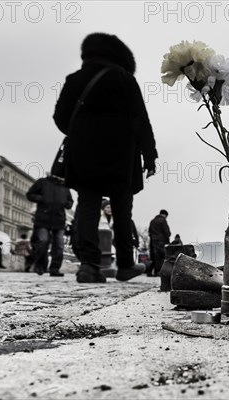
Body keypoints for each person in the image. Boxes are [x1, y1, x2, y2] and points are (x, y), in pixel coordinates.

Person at [53, 32, 158, 283]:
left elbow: (60, 117)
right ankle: (124, 265)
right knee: (122, 208)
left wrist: (81, 132)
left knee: (88, 205)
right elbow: (141, 120)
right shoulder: (124, 78)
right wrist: (150, 155)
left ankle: (88, 265)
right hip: (120, 153)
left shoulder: (75, 79)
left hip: (83, 152)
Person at [27, 174, 74, 276]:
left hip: (59, 220)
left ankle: (54, 269)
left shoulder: (65, 186)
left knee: (59, 245)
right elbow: (30, 194)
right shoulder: (42, 182)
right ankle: (40, 266)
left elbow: (70, 201)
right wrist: (42, 198)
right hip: (43, 219)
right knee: (43, 241)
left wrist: (67, 203)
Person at [148, 209, 171, 277]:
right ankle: (158, 272)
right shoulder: (163, 220)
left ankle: (153, 272)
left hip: (153, 240)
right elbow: (166, 232)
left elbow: (149, 231)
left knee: (155, 256)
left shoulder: (152, 221)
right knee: (162, 256)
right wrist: (167, 240)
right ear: (165, 215)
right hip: (161, 240)